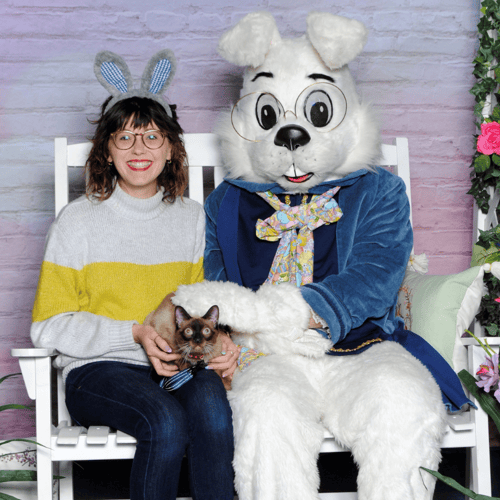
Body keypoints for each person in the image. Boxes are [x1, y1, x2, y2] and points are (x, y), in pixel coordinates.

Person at [30, 51, 239, 500]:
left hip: (179, 362)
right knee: (163, 420)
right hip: (96, 371)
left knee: (212, 411)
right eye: (124, 138)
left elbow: (210, 307)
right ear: (107, 149)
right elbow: (47, 326)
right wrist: (135, 335)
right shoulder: (76, 222)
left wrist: (226, 345)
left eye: (151, 137)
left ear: (170, 147)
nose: (139, 150)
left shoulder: (193, 221)